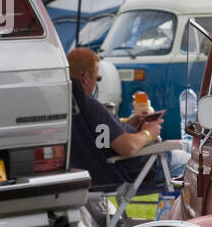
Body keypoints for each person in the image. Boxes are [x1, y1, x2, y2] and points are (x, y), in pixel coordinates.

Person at [66, 48, 185, 189]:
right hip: (138, 171)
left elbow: (101, 140)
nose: (96, 84)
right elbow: (128, 147)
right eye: (97, 79)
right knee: (192, 163)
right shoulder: (91, 107)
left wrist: (129, 125)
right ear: (86, 77)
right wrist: (148, 133)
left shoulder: (69, 107)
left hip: (97, 175)